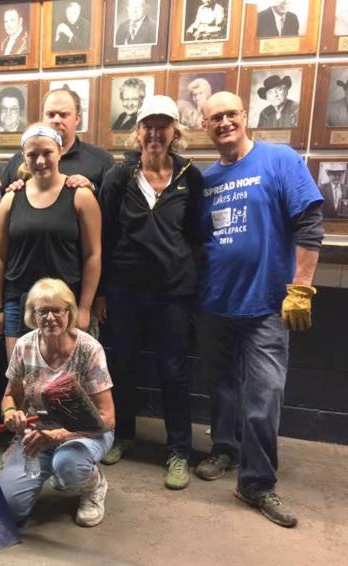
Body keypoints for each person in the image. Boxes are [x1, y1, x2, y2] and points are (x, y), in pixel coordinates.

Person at [195, 91, 324, 527]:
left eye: (230, 114)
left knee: (264, 396)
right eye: (215, 118)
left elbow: (310, 223)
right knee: (222, 389)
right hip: (215, 303)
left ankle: (256, 483)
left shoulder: (279, 160)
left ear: (245, 116)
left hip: (266, 305)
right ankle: (225, 450)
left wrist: (301, 288)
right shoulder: (208, 179)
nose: (224, 123)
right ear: (205, 126)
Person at [93, 96, 203, 490]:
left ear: (175, 132)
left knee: (173, 371)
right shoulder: (119, 176)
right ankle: (123, 435)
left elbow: (195, 235)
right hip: (124, 290)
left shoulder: (190, 176)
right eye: (148, 126)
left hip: (173, 293)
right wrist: (101, 292)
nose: (155, 133)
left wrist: (189, 283)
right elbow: (104, 236)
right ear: (138, 132)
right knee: (122, 366)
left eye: (163, 126)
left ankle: (179, 451)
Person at [0, 278, 115, 527]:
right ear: (33, 315)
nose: (50, 318)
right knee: (8, 509)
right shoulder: (24, 346)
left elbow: (107, 419)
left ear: (69, 312)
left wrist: (56, 436)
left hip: (86, 432)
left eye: (57, 310)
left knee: (68, 465)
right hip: (37, 433)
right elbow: (10, 396)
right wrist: (10, 413)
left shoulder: (89, 349)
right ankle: (37, 468)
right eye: (42, 311)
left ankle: (94, 484)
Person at [0, 124, 102, 359]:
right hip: (19, 301)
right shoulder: (11, 198)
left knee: (64, 377)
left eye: (47, 153)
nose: (40, 161)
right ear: (24, 156)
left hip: (65, 303)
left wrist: (84, 307)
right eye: (32, 154)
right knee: (21, 375)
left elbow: (92, 255)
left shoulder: (81, 196)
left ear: (60, 151)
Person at [0, 88, 116, 194]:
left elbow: (114, 205)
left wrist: (92, 188)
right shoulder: (19, 160)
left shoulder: (101, 160)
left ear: (77, 119)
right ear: (42, 117)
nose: (56, 120)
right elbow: (1, 199)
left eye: (63, 115)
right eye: (50, 115)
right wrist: (12, 193)